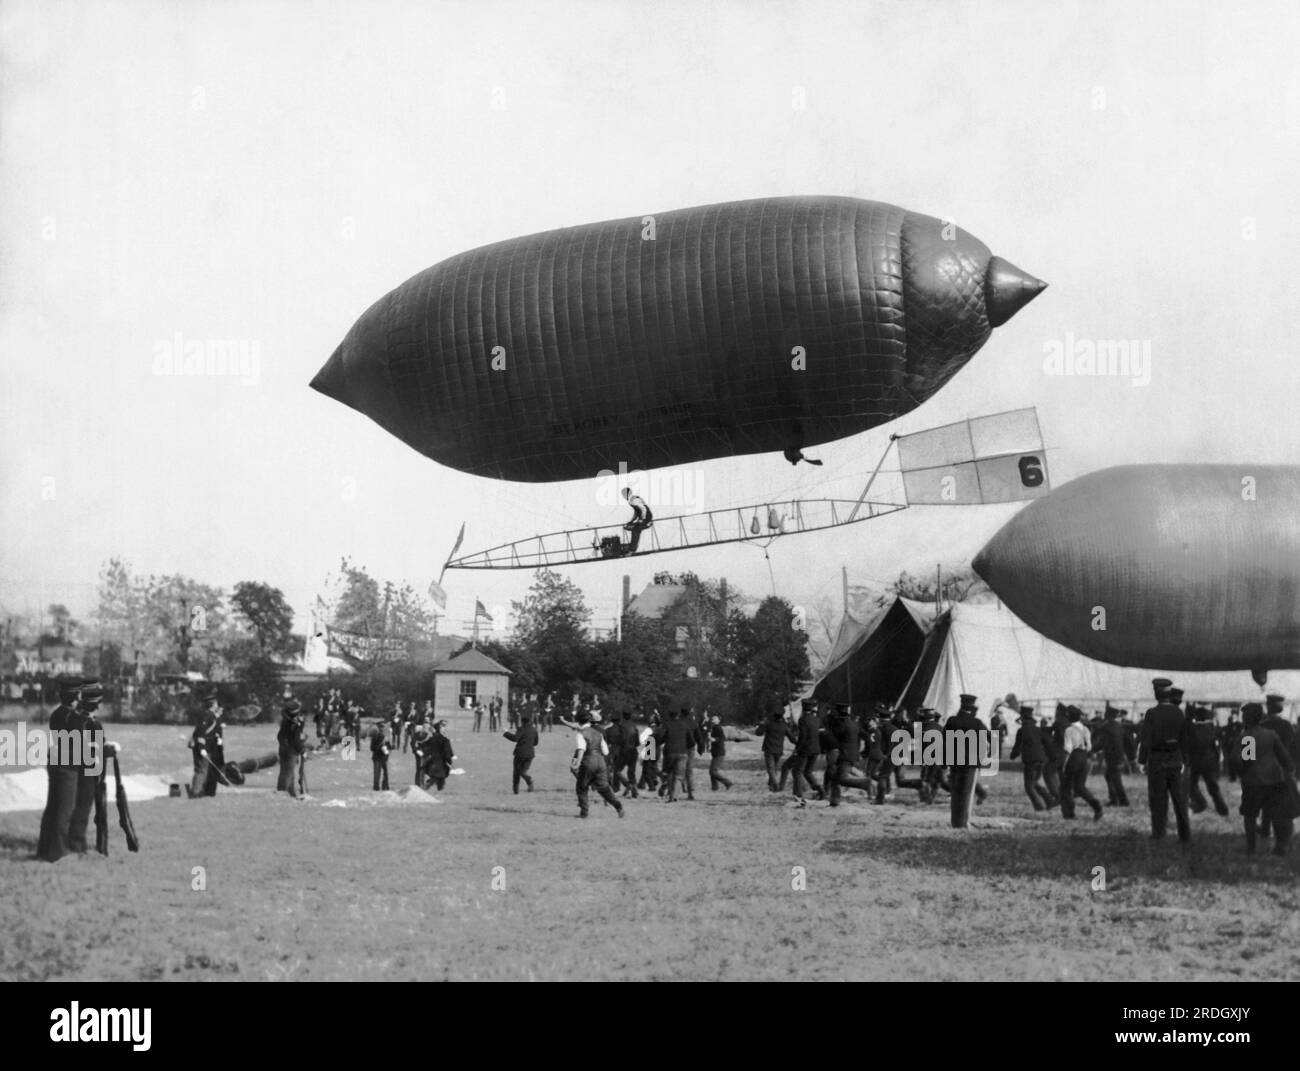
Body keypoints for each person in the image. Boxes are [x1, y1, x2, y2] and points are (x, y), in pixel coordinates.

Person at [36, 677, 84, 862]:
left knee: (53, 806)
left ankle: (45, 849)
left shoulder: (56, 714)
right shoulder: (74, 717)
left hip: (55, 761)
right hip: (68, 765)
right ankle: (58, 852)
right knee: (65, 809)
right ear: (75, 695)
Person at [1138, 678, 1191, 843]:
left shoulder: (1152, 714)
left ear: (1156, 694)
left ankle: (1159, 832)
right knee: (1179, 799)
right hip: (1175, 759)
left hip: (1157, 759)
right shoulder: (1178, 713)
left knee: (1158, 799)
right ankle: (1185, 834)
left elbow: (1146, 740)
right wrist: (1184, 760)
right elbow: (1184, 738)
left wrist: (1142, 760)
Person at [1238, 702, 1295, 855]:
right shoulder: (1271, 734)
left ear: (1248, 718)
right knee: (1276, 814)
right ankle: (1280, 845)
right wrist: (1289, 769)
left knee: (1250, 815)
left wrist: (1241, 774)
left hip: (1254, 781)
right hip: (1274, 779)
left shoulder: (1247, 736)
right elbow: (1284, 757)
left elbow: (1247, 761)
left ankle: (1251, 848)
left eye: (1244, 716)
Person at [571, 710, 624, 818]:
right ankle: (618, 805)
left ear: (579, 721)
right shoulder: (599, 733)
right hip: (601, 761)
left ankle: (584, 812)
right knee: (604, 788)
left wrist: (577, 764)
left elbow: (581, 749)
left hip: (588, 761)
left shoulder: (581, 733)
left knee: (581, 787)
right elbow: (606, 752)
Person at [945, 694, 987, 828]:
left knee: (956, 792)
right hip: (970, 762)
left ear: (961, 705)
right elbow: (991, 737)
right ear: (973, 707)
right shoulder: (977, 723)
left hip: (955, 761)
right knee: (966, 793)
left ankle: (955, 822)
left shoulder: (952, 721)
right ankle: (963, 823)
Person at [1059, 705, 1103, 821]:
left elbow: (1067, 749)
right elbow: (1089, 747)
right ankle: (1096, 806)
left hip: (1073, 757)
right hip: (1084, 757)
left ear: (1069, 716)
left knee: (1066, 787)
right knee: (1080, 787)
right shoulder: (1086, 729)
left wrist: (1064, 765)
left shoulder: (1069, 730)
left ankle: (1069, 814)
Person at [1010, 705, 1054, 811]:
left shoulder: (1021, 731)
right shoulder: (1039, 730)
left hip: (1030, 761)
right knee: (1035, 782)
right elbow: (1048, 744)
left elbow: (1017, 748)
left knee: (1029, 786)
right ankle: (1049, 800)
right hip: (1041, 760)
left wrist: (1013, 756)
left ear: (1022, 718)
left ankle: (1040, 807)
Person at [1187, 705, 1229, 817]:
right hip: (1209, 762)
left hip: (1195, 762)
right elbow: (1216, 747)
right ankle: (1223, 809)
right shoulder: (1211, 728)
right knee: (1213, 787)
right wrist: (1216, 761)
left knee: (1190, 785)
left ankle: (1200, 802)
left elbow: (1189, 746)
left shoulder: (1191, 728)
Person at [189, 687, 226, 798]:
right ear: (212, 704)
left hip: (209, 747)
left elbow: (213, 731)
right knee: (201, 770)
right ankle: (195, 793)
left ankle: (201, 791)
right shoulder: (205, 715)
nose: (217, 705)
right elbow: (201, 732)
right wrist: (201, 748)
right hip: (202, 747)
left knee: (205, 770)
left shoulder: (212, 716)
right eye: (216, 703)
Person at [655, 708, 696, 803]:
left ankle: (668, 791)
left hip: (669, 752)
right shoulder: (684, 725)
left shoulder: (667, 725)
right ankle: (675, 796)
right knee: (679, 776)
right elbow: (692, 742)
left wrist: (659, 743)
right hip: (682, 752)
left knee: (668, 773)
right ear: (678, 715)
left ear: (670, 715)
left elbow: (661, 737)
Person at [1095, 706, 1131, 807]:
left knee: (1115, 779)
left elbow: (1102, 742)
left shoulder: (1105, 727)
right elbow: (1127, 741)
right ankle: (1115, 799)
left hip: (1111, 756)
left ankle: (1122, 800)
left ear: (1108, 715)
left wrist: (1093, 750)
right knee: (1111, 777)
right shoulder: (1120, 726)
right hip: (1120, 755)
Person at [792, 699, 824, 803]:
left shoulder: (802, 720)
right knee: (808, 772)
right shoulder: (816, 720)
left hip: (805, 749)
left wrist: (797, 749)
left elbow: (803, 736)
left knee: (797, 771)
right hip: (816, 749)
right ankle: (820, 790)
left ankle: (798, 794)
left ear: (803, 708)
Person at [759, 709, 796, 792]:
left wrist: (762, 724)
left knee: (770, 769)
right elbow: (792, 738)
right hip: (779, 750)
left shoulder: (768, 724)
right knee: (774, 768)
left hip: (769, 749)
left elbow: (758, 733)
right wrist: (798, 742)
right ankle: (771, 786)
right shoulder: (784, 726)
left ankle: (775, 785)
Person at [503, 714, 538, 793]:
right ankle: (529, 782)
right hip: (530, 754)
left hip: (520, 753)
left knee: (516, 772)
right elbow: (536, 743)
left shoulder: (521, 728)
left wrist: (506, 733)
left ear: (522, 722)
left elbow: (515, 738)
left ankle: (516, 791)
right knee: (523, 771)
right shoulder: (534, 729)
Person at [277, 699, 302, 793]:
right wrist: (302, 750)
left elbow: (279, 736)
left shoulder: (284, 722)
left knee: (283, 771)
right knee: (289, 772)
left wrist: (284, 744)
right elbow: (296, 740)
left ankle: (286, 790)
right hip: (292, 751)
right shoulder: (295, 724)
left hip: (283, 749)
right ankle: (285, 791)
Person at [706, 714, 732, 791]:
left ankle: (728, 782)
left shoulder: (718, 728)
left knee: (713, 771)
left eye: (715, 718)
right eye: (712, 718)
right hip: (715, 752)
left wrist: (714, 739)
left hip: (719, 752)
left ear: (719, 720)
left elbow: (722, 738)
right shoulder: (713, 727)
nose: (712, 719)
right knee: (713, 770)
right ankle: (715, 788)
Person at [637, 715, 661, 793]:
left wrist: (645, 743)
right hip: (657, 750)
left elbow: (641, 739)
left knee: (647, 768)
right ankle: (642, 784)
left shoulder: (648, 729)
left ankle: (652, 785)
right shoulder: (659, 729)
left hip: (650, 748)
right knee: (652, 767)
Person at [370, 721, 391, 791]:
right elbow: (372, 748)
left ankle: (385, 786)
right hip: (377, 757)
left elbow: (389, 747)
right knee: (377, 774)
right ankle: (376, 788)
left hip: (384, 757)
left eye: (383, 727)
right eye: (381, 727)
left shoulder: (386, 737)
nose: (382, 729)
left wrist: (387, 750)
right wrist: (380, 748)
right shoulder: (375, 736)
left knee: (385, 773)